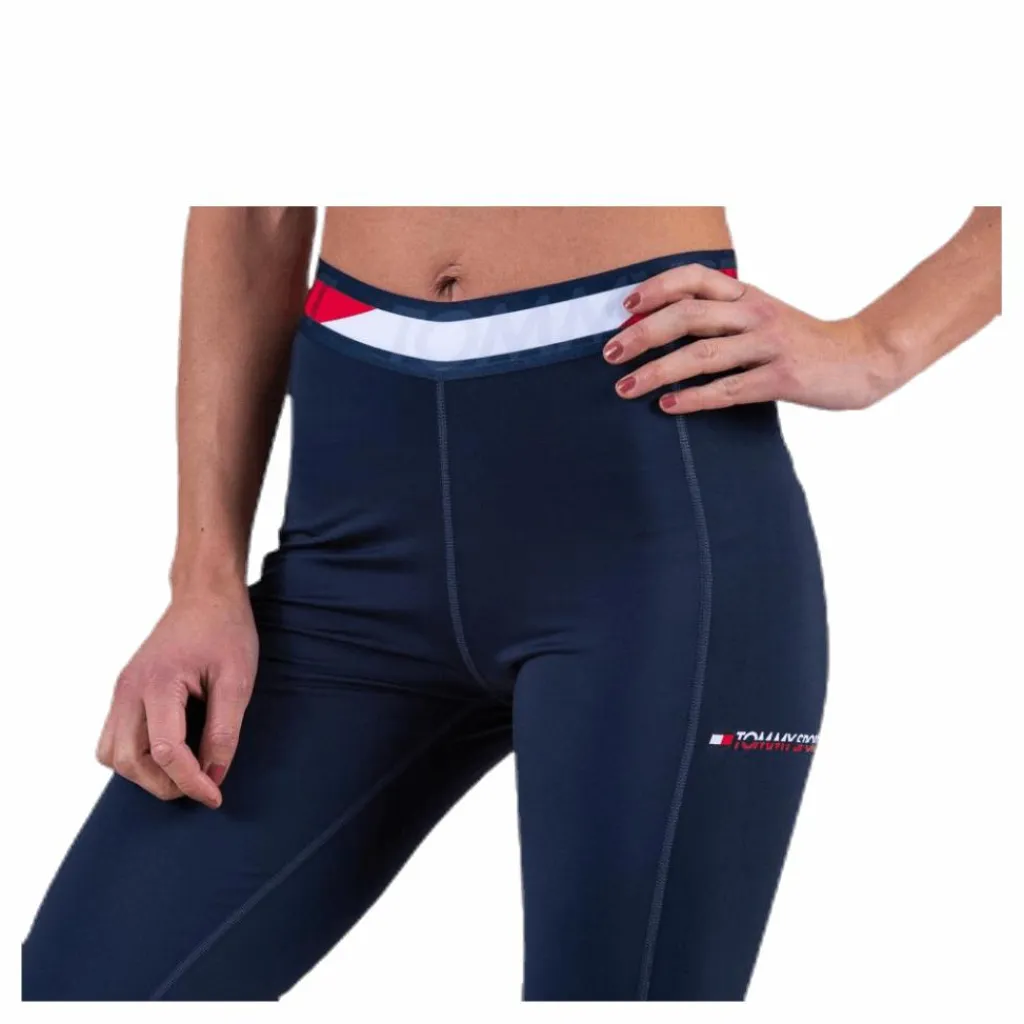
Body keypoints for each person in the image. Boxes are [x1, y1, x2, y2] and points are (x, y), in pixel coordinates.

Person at [21, 207, 1002, 1001]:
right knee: (83, 985)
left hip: (648, 535)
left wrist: (877, 347)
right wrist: (201, 578)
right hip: (347, 547)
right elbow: (251, 207)